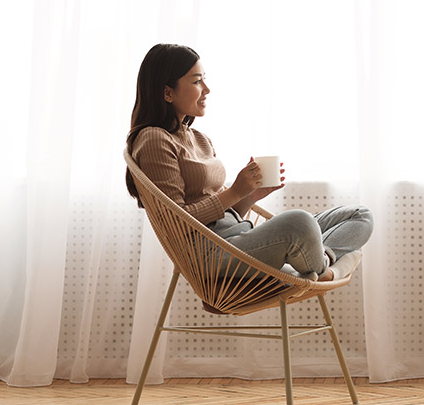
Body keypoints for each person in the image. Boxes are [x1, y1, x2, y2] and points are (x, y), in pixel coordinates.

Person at [125, 43, 373, 281]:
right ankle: (328, 266)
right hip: (211, 253)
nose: (207, 89)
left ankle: (320, 262)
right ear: (168, 92)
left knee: (360, 215)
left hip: (240, 235)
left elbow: (223, 212)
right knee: (300, 222)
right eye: (197, 81)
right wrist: (235, 191)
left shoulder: (199, 138)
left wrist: (250, 196)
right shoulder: (154, 139)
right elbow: (177, 220)